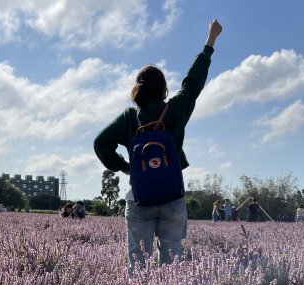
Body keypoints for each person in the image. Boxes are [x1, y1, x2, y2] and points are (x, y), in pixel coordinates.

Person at [94, 19, 223, 272]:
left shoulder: (129, 118)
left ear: (137, 90)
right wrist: (210, 41)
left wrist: (125, 166)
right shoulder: (176, 109)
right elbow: (193, 82)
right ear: (164, 88)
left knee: (138, 264)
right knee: (171, 265)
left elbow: (100, 144)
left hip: (140, 198)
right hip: (172, 197)